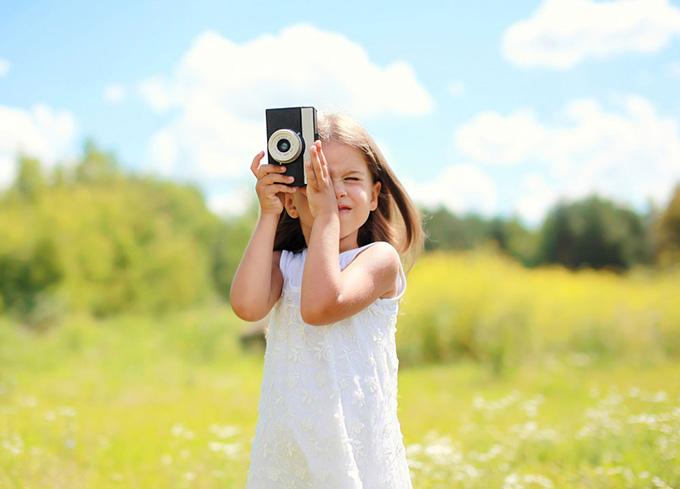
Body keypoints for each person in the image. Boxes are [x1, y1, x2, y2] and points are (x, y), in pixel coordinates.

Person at [230, 112, 424, 488]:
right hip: (291, 443)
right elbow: (247, 307)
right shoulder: (285, 264)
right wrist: (267, 213)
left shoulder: (379, 260)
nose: (333, 191)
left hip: (355, 442)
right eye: (317, 179)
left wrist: (324, 218)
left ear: (374, 195)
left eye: (350, 179)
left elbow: (321, 306)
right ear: (291, 201)